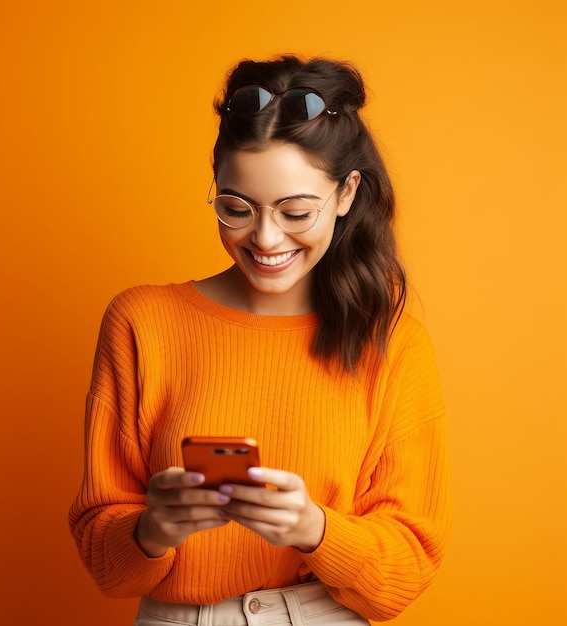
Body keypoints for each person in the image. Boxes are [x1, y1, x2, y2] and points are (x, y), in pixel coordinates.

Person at [69, 55, 452, 625]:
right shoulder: (141, 322)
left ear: (347, 194)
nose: (266, 237)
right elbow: (105, 563)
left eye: (296, 210)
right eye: (236, 208)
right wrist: (152, 530)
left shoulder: (392, 344)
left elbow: (405, 573)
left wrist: (313, 529)